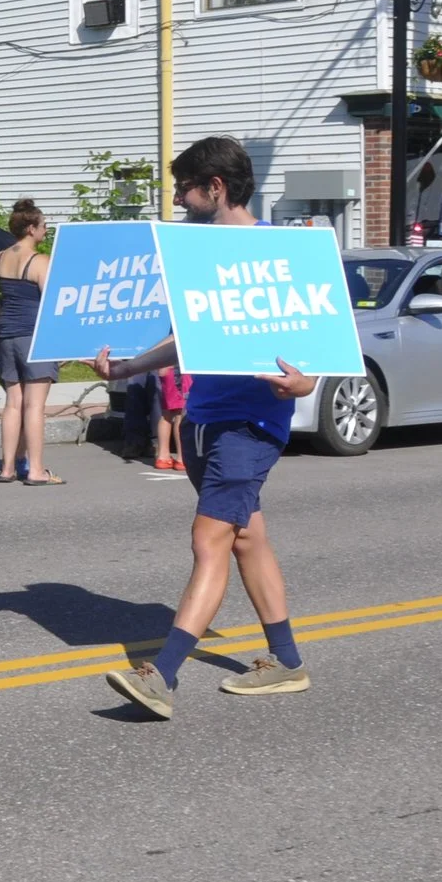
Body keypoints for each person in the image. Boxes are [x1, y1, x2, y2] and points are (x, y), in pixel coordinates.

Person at [93, 136, 320, 718]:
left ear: (214, 188)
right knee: (248, 538)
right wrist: (127, 367)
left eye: (184, 189)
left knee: (209, 540)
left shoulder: (283, 253)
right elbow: (185, 338)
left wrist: (305, 382)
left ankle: (161, 677)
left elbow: (314, 337)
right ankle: (288, 662)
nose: (178, 200)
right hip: (203, 422)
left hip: (249, 425)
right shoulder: (202, 257)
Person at [0, 200, 60, 485]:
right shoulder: (40, 261)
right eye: (44, 225)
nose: (46, 230)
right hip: (34, 336)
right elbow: (51, 304)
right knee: (35, 406)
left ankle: (7, 468)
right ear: (31, 228)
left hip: (6, 336)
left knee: (13, 403)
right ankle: (35, 469)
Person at [154, 366, 190, 472]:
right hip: (178, 371)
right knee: (180, 413)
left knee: (166, 414)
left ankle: (163, 457)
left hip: (166, 370)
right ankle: (181, 458)